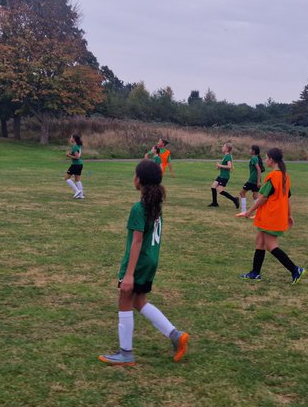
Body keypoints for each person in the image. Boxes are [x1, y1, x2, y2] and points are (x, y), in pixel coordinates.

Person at [98, 159, 190, 367]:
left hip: (139, 263)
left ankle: (125, 354)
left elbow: (137, 241)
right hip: (151, 261)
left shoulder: (139, 208)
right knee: (139, 301)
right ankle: (176, 335)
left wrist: (129, 274)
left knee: (125, 300)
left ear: (139, 180)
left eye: (134, 174)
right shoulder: (155, 205)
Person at [237, 147, 306, 283]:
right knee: (260, 242)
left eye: (266, 157)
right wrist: (289, 215)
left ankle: (295, 269)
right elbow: (287, 197)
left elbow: (263, 198)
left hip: (271, 216)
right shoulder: (285, 176)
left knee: (271, 245)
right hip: (273, 216)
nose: (265, 160)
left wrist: (249, 211)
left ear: (271, 160)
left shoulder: (273, 176)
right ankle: (255, 273)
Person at [208, 143, 240, 209]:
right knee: (213, 187)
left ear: (227, 149)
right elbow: (226, 166)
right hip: (221, 175)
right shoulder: (225, 156)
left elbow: (229, 166)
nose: (222, 147)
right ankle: (215, 203)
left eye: (223, 146)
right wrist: (219, 167)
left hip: (224, 176)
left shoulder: (228, 156)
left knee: (220, 191)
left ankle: (234, 199)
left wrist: (220, 165)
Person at [238, 144, 264, 209]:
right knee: (255, 196)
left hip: (252, 180)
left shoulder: (254, 158)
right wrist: (259, 181)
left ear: (253, 151)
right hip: (256, 180)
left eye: (250, 149)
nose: (249, 150)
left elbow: (258, 169)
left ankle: (243, 211)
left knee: (242, 193)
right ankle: (259, 213)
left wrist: (258, 182)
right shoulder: (257, 157)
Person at [64, 133, 85, 200]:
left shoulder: (75, 146)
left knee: (67, 178)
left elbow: (77, 157)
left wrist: (68, 155)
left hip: (75, 165)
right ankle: (81, 195)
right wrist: (71, 154)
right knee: (77, 180)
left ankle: (77, 191)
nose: (70, 139)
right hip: (80, 165)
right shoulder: (78, 145)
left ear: (74, 139)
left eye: (71, 137)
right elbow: (77, 154)